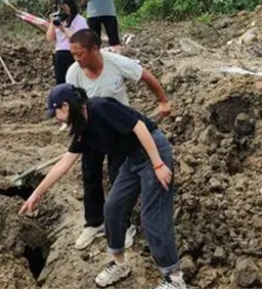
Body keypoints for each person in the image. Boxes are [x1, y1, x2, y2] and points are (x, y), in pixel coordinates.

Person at [20, 84, 186, 289]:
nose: (56, 118)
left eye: (55, 113)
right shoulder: (83, 127)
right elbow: (65, 162)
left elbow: (140, 127)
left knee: (152, 216)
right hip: (133, 158)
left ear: (65, 106)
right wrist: (37, 193)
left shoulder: (100, 108)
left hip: (153, 151)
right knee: (113, 208)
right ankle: (120, 264)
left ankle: (174, 278)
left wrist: (158, 163)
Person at [66, 29, 171, 250]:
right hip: (92, 132)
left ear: (95, 49)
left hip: (119, 132)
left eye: (80, 54)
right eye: (73, 55)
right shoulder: (73, 73)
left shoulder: (116, 63)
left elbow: (146, 76)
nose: (77, 59)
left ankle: (123, 226)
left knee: (118, 179)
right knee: (90, 175)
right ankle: (94, 223)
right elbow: (72, 107)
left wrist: (162, 100)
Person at [46, 0, 89, 84]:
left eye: (64, 8)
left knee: (74, 81)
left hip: (74, 53)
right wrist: (52, 24)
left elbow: (77, 38)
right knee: (60, 81)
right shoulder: (59, 19)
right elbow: (49, 38)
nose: (62, 11)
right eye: (60, 9)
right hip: (60, 53)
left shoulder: (79, 20)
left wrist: (63, 28)